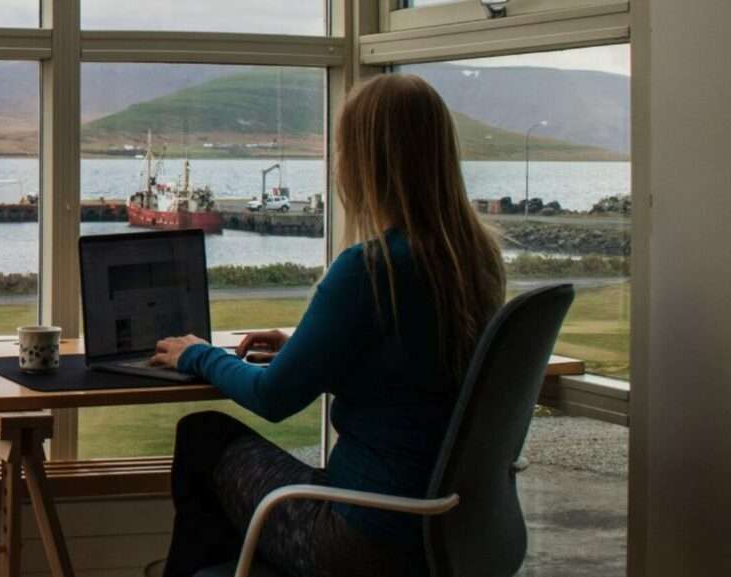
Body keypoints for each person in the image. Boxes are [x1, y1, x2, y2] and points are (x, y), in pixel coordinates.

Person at [147, 74, 508, 577]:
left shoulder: (370, 268)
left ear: (365, 164)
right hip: (453, 529)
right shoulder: (476, 259)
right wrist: (305, 348)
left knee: (203, 435)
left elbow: (274, 398)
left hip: (361, 537)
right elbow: (410, 363)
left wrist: (197, 354)